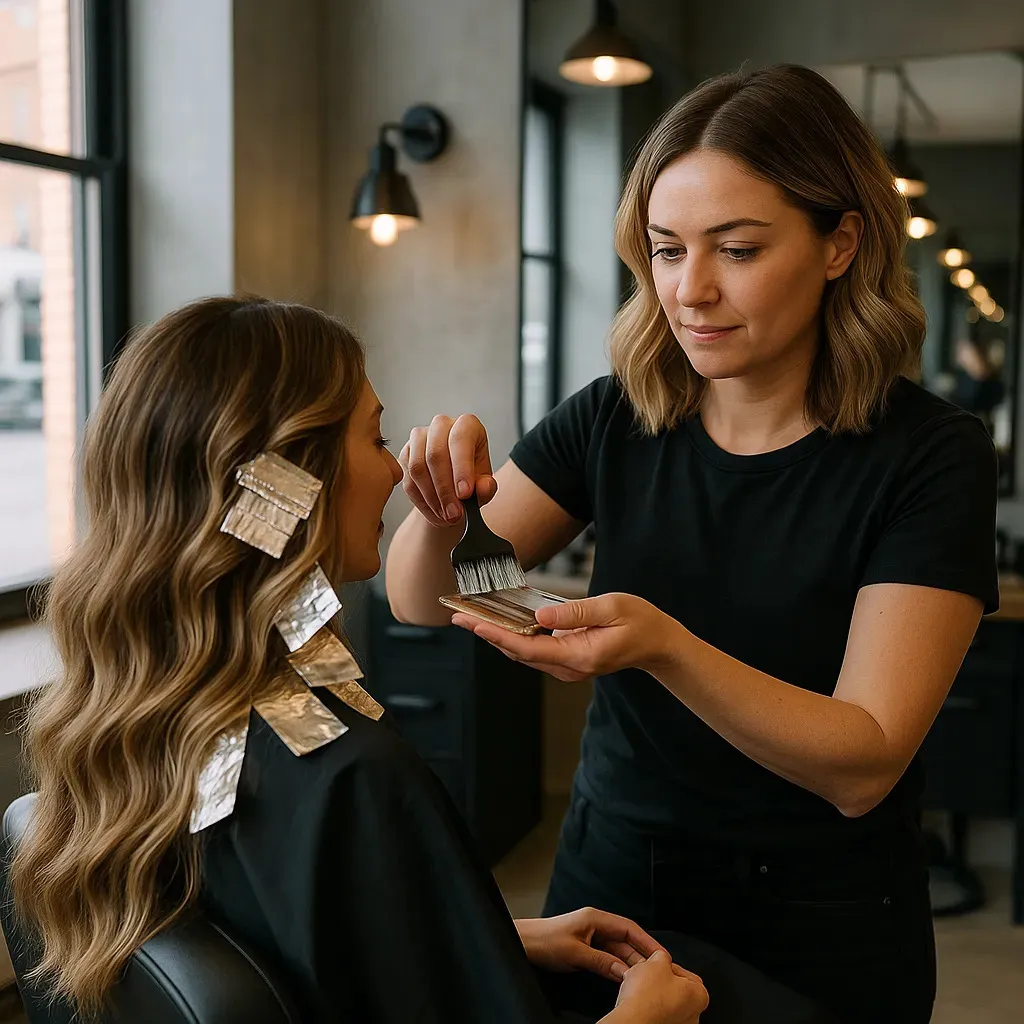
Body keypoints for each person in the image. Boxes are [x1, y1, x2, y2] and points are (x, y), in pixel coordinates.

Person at [386, 65, 998, 1024]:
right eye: (667, 251)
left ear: (842, 242)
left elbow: (864, 761)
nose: (691, 290)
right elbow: (439, 598)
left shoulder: (929, 458)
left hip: (821, 925)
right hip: (619, 891)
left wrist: (662, 645)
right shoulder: (619, 417)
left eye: (739, 249)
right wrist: (440, 516)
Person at [6, 296, 718, 1024]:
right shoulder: (349, 774)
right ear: (289, 479)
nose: (391, 473)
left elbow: (292, 949)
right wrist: (647, 1017)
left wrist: (494, 938)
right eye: (376, 439)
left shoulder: (153, 708)